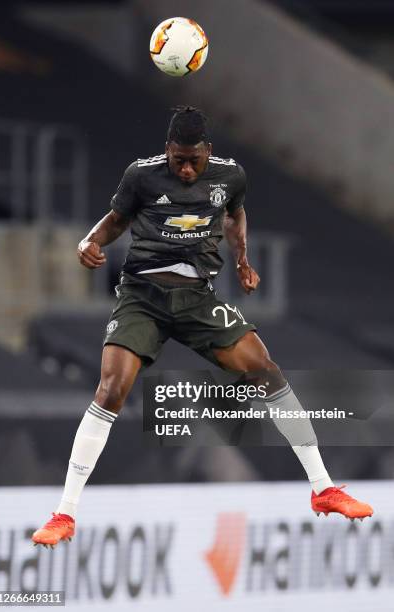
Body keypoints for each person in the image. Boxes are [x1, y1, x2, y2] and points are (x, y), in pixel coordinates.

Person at [32, 106, 373, 548]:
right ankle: (65, 514)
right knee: (111, 388)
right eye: (178, 160)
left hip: (197, 299)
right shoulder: (142, 175)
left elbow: (235, 215)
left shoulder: (230, 176)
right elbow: (116, 219)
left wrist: (244, 260)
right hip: (143, 296)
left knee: (265, 369)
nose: (187, 168)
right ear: (168, 152)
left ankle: (324, 489)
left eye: (194, 159)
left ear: (207, 151)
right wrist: (89, 241)